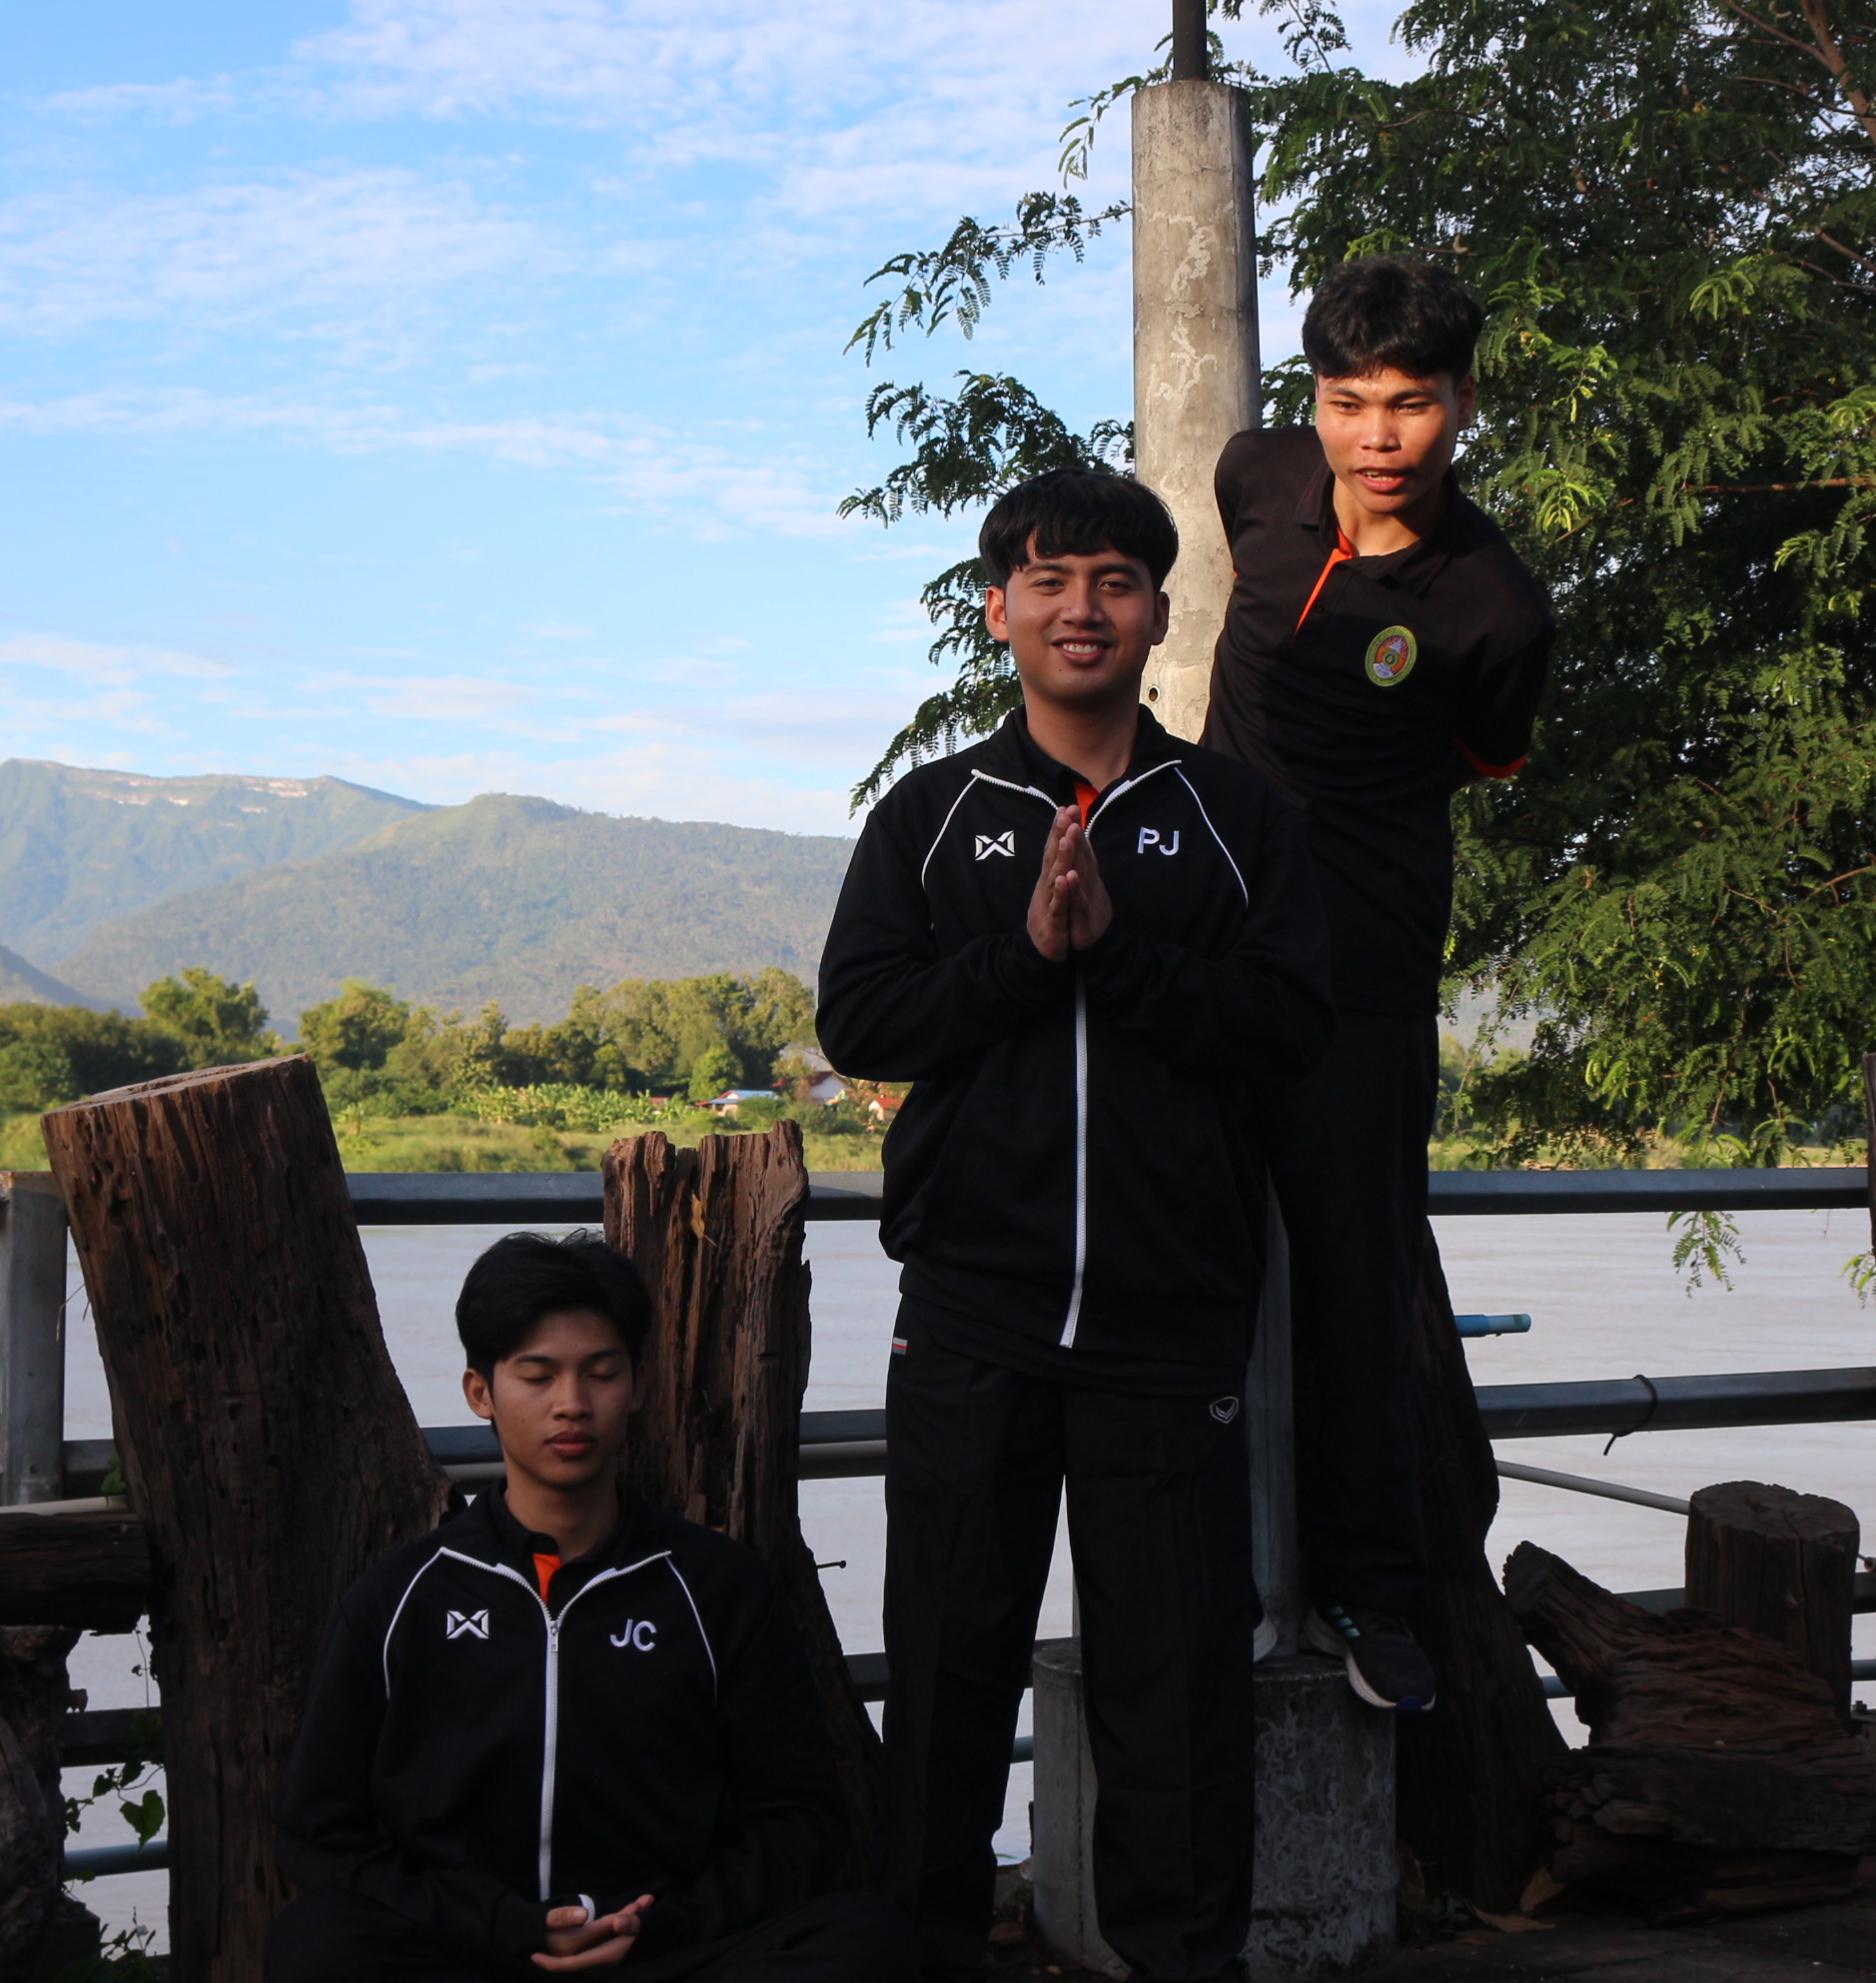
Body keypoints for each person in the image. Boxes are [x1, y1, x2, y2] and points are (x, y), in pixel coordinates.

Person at [818, 466, 1336, 1983]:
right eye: (1048, 581)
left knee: (1177, 1692)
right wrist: (1029, 957)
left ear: (1160, 614)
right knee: (948, 1669)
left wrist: (1120, 958)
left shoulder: (1234, 818)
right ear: (1000, 612)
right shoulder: (930, 819)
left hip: (1168, 1328)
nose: (1082, 608)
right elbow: (863, 1020)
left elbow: (1293, 1024)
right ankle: (925, 1955)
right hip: (973, 1316)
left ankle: (1182, 1964)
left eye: (1114, 580)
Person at [1200, 255, 1558, 1716]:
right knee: (1181, 1254)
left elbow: (1485, 754)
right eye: (1350, 402)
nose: (1378, 436)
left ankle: (1373, 1590)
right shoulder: (1255, 481)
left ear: (1461, 401)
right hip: (1205, 948)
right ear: (1316, 403)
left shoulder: (1495, 605)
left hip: (1364, 968)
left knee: (1358, 1281)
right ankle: (1193, 1570)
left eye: (1410, 403)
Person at [269, 1231, 911, 1983]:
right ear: (480, 1392)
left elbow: (801, 1820)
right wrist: (495, 1922)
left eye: (600, 1374)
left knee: (867, 1942)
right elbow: (320, 1834)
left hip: (668, 1951)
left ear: (636, 1386)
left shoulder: (719, 1589)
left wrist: (666, 1925)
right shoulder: (401, 1599)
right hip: (471, 1951)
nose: (571, 1404)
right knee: (315, 1945)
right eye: (537, 1376)